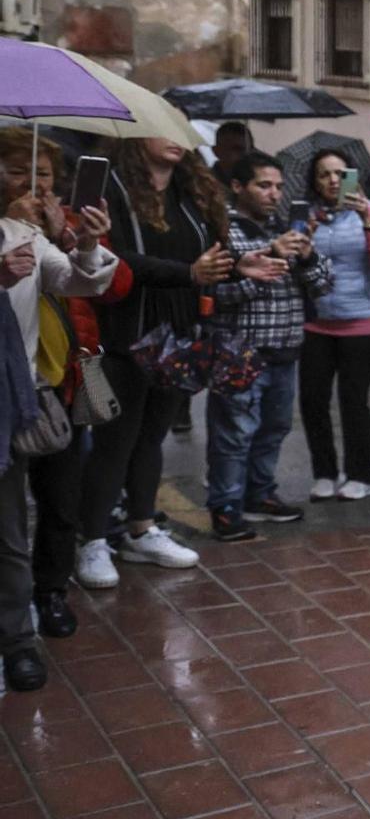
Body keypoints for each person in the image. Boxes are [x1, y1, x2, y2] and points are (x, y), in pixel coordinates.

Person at [74, 137, 232, 591]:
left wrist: (243, 265)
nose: (178, 143)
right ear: (138, 136)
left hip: (176, 335)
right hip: (125, 334)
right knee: (114, 442)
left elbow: (207, 259)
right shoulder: (113, 189)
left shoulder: (189, 191)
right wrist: (187, 274)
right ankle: (93, 539)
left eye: (182, 134)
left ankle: (141, 530)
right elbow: (111, 259)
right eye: (165, 133)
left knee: (152, 437)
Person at [0, 133, 116, 690]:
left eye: (43, 173)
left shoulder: (28, 233)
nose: (34, 184)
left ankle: (19, 640)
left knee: (12, 532)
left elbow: (80, 279)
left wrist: (87, 242)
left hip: (19, 398)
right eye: (20, 171)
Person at [205, 154, 333, 542]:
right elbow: (217, 293)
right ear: (239, 187)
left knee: (274, 428)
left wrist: (307, 256)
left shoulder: (286, 227)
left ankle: (259, 494)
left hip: (285, 348)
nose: (274, 193)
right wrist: (272, 256)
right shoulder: (224, 230)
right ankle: (226, 506)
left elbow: (325, 285)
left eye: (278, 186)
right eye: (264, 185)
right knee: (233, 433)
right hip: (238, 349)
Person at [299, 150, 370, 503]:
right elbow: (295, 263)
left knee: (353, 400)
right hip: (317, 323)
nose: (332, 181)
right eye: (324, 174)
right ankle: (324, 472)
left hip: (364, 322)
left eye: (339, 173)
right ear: (315, 181)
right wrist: (302, 235)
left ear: (352, 177)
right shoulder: (308, 216)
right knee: (312, 400)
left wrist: (366, 218)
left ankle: (360, 475)